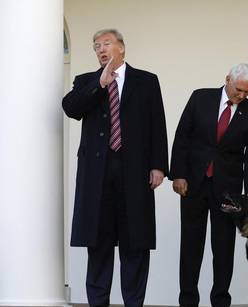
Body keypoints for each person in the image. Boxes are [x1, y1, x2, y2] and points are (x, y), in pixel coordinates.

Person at [62, 29, 168, 307]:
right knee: (98, 241)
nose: (100, 49)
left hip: (134, 171)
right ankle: (98, 302)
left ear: (121, 47)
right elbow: (71, 108)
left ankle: (134, 302)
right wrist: (100, 83)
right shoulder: (86, 81)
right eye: (96, 46)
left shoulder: (146, 81)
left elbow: (158, 124)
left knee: (136, 241)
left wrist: (159, 165)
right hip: (97, 174)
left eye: (106, 43)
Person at [170, 63, 248, 307]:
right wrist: (178, 175)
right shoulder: (200, 98)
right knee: (191, 245)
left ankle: (220, 301)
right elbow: (182, 136)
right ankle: (188, 300)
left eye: (247, 92)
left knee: (223, 249)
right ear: (227, 80)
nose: (241, 96)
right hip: (193, 184)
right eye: (239, 90)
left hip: (228, 191)